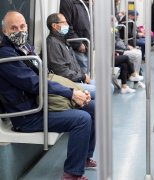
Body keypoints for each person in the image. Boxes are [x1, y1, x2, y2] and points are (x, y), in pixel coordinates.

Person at [0, 11, 96, 180]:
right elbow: (34, 83)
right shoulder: (6, 54)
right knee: (82, 119)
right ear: (5, 32)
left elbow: (44, 77)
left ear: (27, 27)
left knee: (94, 107)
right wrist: (71, 93)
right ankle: (72, 174)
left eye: (22, 26)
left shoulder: (25, 47)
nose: (19, 31)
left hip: (40, 103)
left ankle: (84, 158)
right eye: (13, 28)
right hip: (27, 115)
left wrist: (73, 92)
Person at [46, 13, 96, 98]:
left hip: (75, 79)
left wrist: (82, 75)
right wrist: (82, 77)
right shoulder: (52, 43)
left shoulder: (63, 41)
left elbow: (74, 65)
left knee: (108, 86)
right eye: (64, 23)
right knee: (102, 90)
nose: (67, 25)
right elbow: (61, 72)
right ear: (54, 26)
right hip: (68, 83)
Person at [60, 0, 91, 74]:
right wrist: (78, 43)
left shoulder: (81, 3)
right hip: (77, 44)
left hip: (86, 43)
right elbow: (66, 26)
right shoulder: (67, 2)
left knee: (87, 71)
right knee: (83, 71)